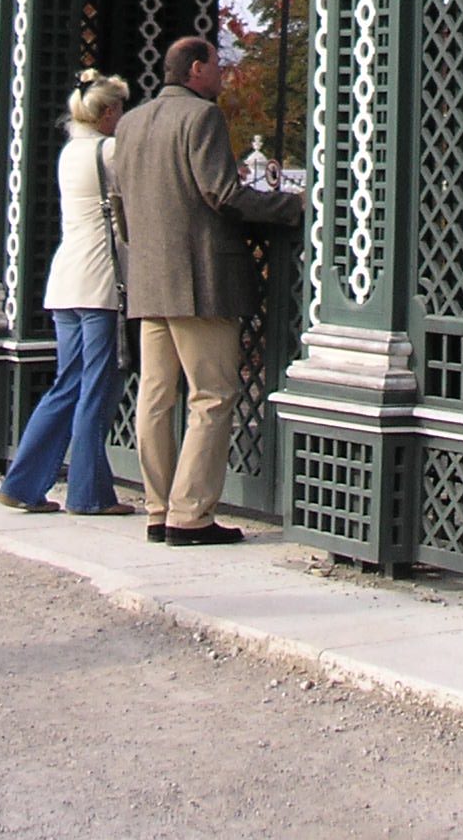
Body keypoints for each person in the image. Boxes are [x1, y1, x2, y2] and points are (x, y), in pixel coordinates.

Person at [111, 35, 302, 546]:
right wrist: (292, 206)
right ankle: (190, 515)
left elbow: (121, 205)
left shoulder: (130, 123)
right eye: (217, 64)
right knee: (213, 395)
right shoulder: (203, 118)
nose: (223, 73)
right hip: (201, 280)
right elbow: (222, 193)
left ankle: (157, 509)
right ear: (196, 69)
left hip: (150, 279)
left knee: (155, 397)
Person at [0, 70, 134, 517]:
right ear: (108, 112)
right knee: (97, 387)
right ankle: (88, 493)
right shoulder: (109, 151)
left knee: (67, 384)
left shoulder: (70, 152)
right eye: (121, 109)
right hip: (100, 283)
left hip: (66, 279)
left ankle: (23, 482)